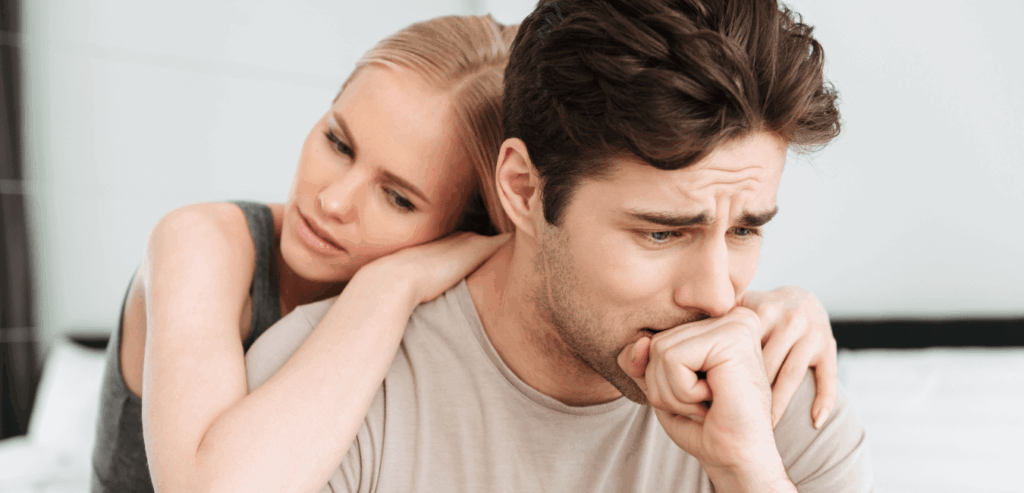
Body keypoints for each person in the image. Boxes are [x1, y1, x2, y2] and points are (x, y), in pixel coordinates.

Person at [92, 10, 839, 493]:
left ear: (477, 222)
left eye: (400, 197)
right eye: (338, 141)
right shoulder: (206, 243)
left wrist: (783, 307)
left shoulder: (753, 365)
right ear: (521, 195)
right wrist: (392, 283)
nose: (333, 201)